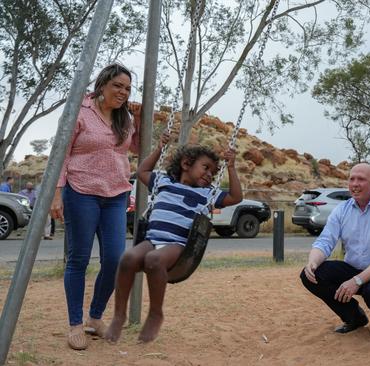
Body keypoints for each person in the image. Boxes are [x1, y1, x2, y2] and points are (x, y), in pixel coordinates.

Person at [104, 143, 242, 343]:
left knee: (154, 260)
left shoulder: (208, 193)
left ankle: (155, 314)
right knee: (128, 258)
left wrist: (231, 168)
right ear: (186, 164)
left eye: (213, 172)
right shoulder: (163, 182)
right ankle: (119, 314)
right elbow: (142, 171)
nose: (210, 174)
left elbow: (236, 197)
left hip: (178, 246)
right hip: (152, 239)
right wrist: (159, 148)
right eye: (206, 168)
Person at [50, 63, 140, 350]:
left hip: (116, 194)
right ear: (102, 85)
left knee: (116, 259)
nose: (123, 92)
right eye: (118, 86)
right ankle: (76, 324)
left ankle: (94, 317)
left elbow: (133, 149)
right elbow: (62, 152)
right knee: (79, 259)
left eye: (127, 88)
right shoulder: (81, 111)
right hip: (81, 192)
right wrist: (56, 193)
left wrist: (139, 121)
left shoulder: (125, 119)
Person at [300, 163, 370, 340]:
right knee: (310, 275)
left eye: (361, 179)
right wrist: (313, 261)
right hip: (353, 268)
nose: (355, 184)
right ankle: (354, 317)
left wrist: (357, 281)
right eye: (351, 179)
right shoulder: (342, 209)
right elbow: (325, 241)